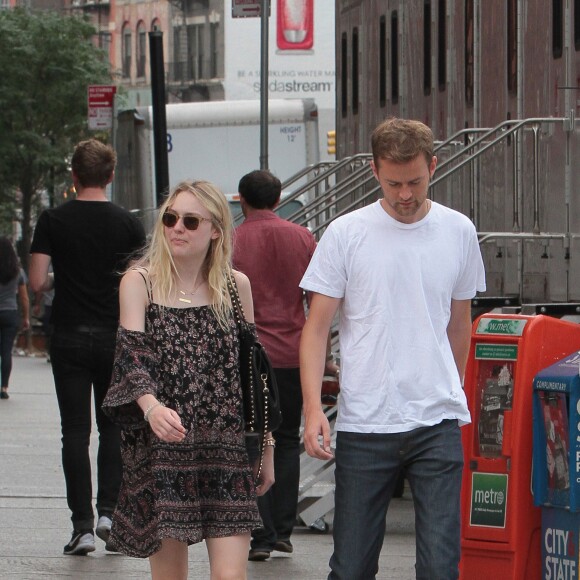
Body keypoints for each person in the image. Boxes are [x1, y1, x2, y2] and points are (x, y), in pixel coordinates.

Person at [299, 117, 486, 580]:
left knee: (442, 565)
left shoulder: (459, 230)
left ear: (434, 167)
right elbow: (316, 328)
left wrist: (453, 386)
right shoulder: (346, 234)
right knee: (352, 564)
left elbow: (459, 322)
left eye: (416, 182)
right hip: (366, 420)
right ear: (374, 173)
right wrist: (311, 408)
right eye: (394, 183)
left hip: (436, 419)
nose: (405, 194)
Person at [101, 179, 274, 580]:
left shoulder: (235, 287)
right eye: (171, 218)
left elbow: (253, 377)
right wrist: (151, 407)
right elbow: (131, 355)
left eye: (191, 221)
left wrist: (266, 445)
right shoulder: (140, 281)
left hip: (225, 447)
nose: (177, 228)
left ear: (216, 229)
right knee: (170, 577)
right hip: (166, 446)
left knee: (230, 576)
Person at [29, 139, 146, 556]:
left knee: (75, 433)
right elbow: (141, 280)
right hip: (116, 337)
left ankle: (80, 527)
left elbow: (38, 280)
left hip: (70, 336)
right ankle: (109, 514)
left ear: (74, 176)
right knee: (112, 427)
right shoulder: (127, 224)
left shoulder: (52, 220)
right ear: (110, 176)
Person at [232, 170, 337, 561]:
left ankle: (260, 533)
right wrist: (323, 354)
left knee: (253, 440)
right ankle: (283, 530)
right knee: (290, 439)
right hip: (295, 352)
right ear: (278, 200)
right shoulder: (302, 237)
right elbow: (316, 300)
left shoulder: (234, 241)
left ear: (242, 199)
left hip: (250, 357)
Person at [0, 237, 30, 399]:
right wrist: (26, 317)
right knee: (6, 352)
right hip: (10, 313)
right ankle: (3, 387)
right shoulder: (17, 271)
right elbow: (24, 298)